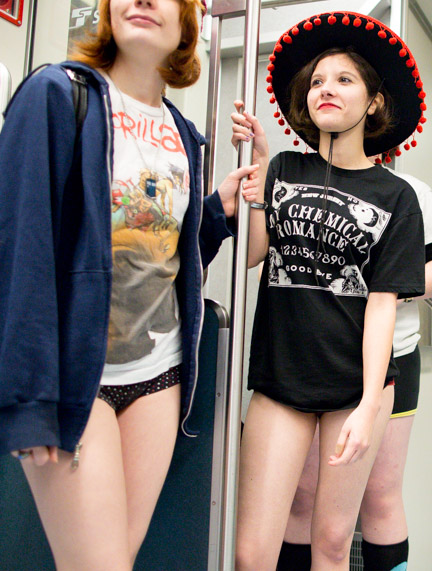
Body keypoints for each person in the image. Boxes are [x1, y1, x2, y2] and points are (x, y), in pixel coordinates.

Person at [0, 1, 264, 568]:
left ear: (189, 21)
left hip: (159, 375)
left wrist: (214, 210)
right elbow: (21, 248)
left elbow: (170, 256)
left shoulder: (183, 134)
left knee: (122, 556)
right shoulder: (57, 94)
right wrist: (29, 396)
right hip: (79, 376)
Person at [232, 11, 427, 570]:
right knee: (251, 553)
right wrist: (258, 179)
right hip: (281, 377)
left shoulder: (397, 196)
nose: (326, 89)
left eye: (344, 79)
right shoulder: (283, 167)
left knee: (333, 545)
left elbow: (383, 307)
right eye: (317, 80)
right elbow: (253, 255)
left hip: (354, 387)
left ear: (374, 103)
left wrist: (369, 405)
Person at [276, 171, 432, 570]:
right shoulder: (304, 182)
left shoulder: (410, 190)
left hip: (393, 356)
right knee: (303, 493)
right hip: (314, 354)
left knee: (380, 492)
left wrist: (386, 287)